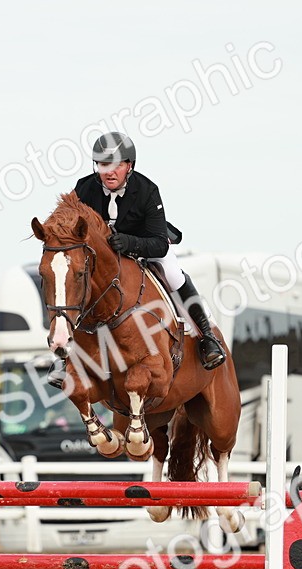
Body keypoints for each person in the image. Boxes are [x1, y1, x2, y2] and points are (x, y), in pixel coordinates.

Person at [48, 132, 226, 389]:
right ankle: (64, 357)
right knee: (73, 285)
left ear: (129, 166)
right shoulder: (85, 188)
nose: (109, 172)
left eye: (116, 165)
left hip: (145, 248)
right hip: (104, 260)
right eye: (102, 165)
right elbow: (63, 219)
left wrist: (130, 243)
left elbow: (159, 242)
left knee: (173, 273)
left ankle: (207, 337)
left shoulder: (146, 190)